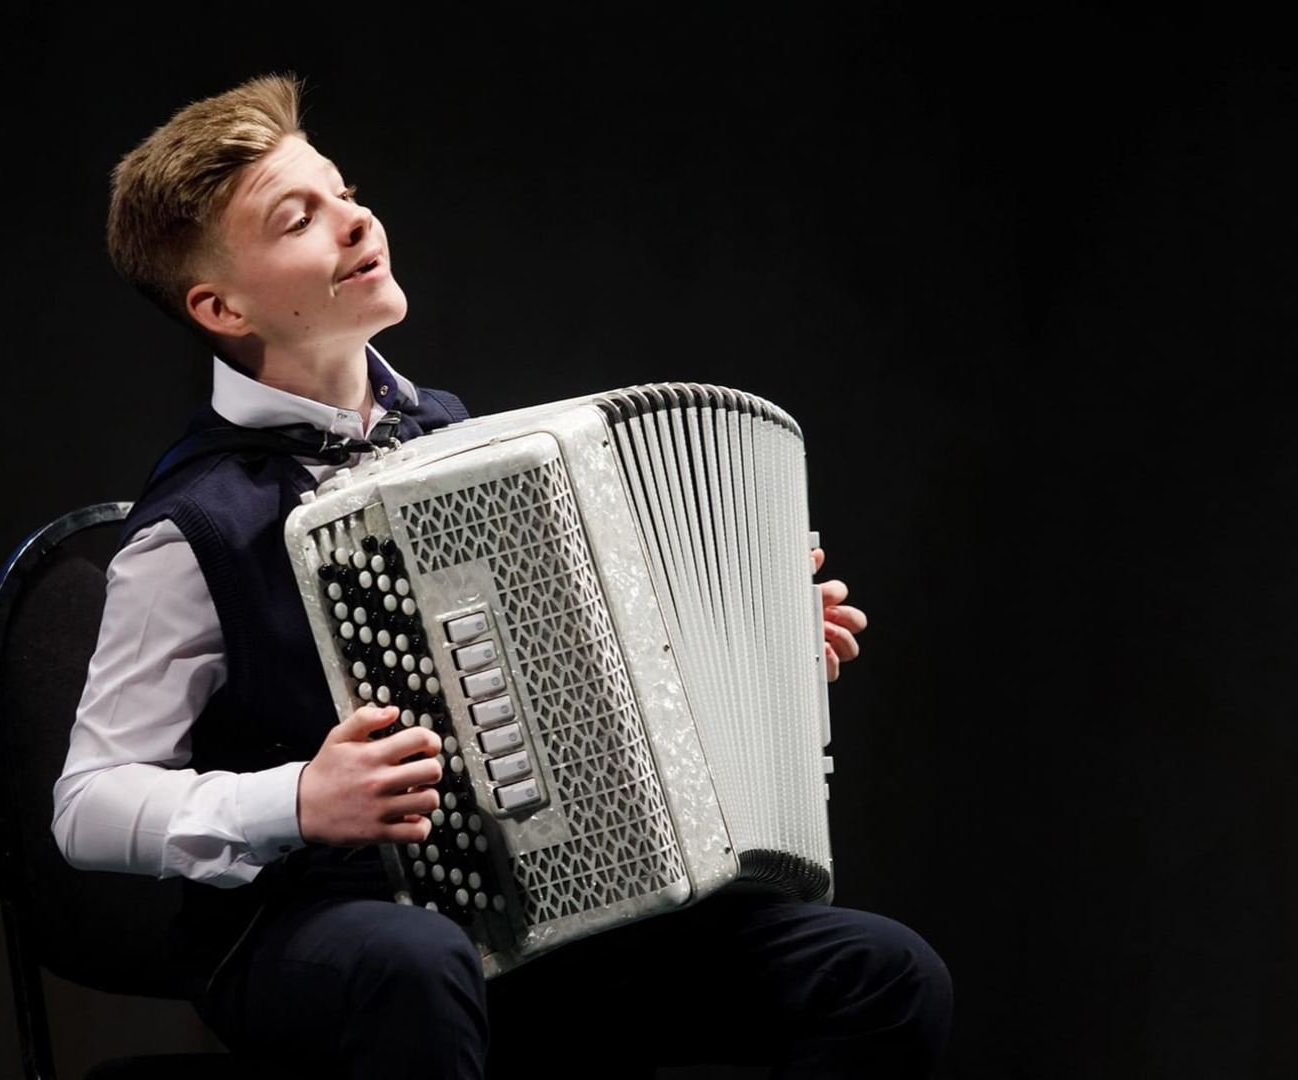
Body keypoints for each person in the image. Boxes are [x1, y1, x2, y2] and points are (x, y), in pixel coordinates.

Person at [53, 71, 953, 1079]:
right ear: (219, 306)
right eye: (299, 219)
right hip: (310, 924)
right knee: (419, 962)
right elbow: (88, 803)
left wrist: (751, 648)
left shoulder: (451, 436)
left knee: (883, 974)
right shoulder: (192, 529)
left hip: (528, 900)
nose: (354, 221)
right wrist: (298, 799)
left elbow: (578, 674)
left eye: (345, 193)